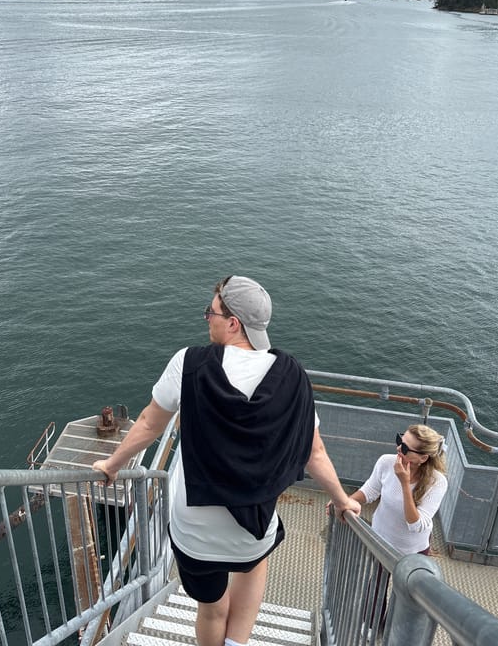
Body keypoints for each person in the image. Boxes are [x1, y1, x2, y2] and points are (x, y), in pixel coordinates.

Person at [93, 275, 360, 646]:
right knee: (254, 563)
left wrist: (111, 465)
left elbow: (148, 424)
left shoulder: (189, 363)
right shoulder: (293, 376)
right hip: (252, 530)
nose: (207, 319)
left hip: (194, 534)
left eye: (211, 312)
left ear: (233, 322)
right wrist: (343, 499)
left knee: (211, 609)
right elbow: (314, 452)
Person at [349, 424, 447, 637]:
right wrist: (344, 502)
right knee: (376, 586)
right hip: (381, 540)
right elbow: (371, 490)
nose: (398, 449)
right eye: (399, 441)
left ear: (423, 458)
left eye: (405, 448)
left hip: (412, 550)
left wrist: (404, 483)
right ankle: (372, 627)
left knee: (404, 595)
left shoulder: (437, 482)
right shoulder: (386, 462)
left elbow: (417, 525)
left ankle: (395, 634)